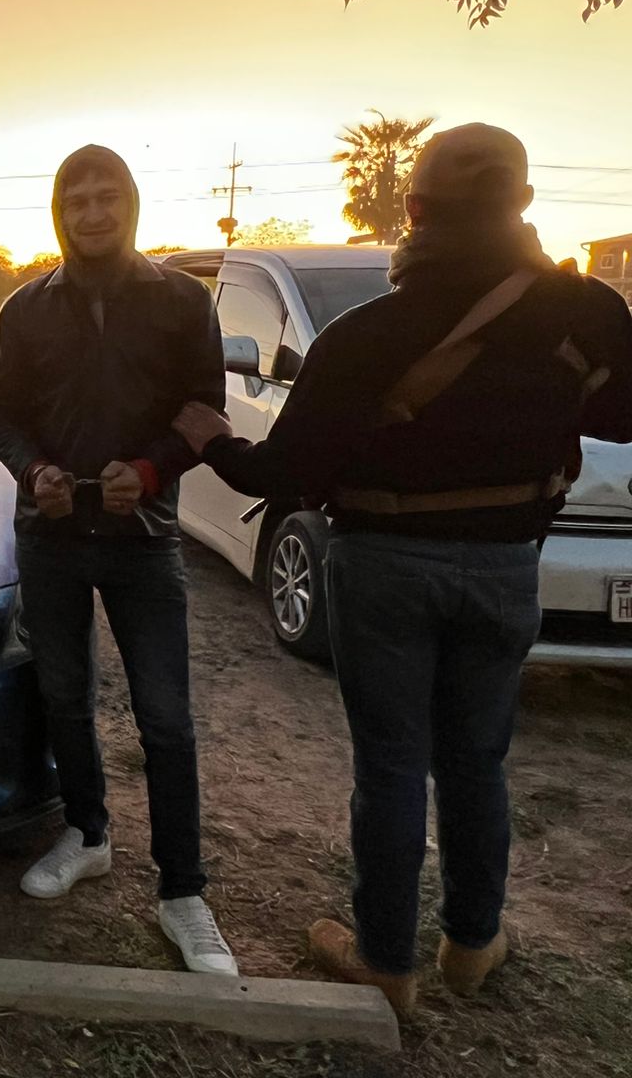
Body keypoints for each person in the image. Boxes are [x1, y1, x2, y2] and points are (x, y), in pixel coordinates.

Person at [174, 124, 632, 1015]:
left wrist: (210, 438)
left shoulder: (367, 335)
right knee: (477, 761)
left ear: (415, 212)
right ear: (523, 204)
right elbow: (621, 420)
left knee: (391, 765)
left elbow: (286, 477)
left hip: (384, 566)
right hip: (506, 568)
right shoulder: (584, 314)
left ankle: (387, 962)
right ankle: (472, 943)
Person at [0, 145, 237, 975]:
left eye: (108, 196)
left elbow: (205, 410)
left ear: (131, 204)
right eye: (76, 199)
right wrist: (36, 472)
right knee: (66, 697)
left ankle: (183, 892)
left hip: (144, 540)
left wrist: (155, 469)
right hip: (51, 536)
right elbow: (0, 414)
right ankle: (88, 834)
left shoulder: (182, 301)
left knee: (165, 719)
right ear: (59, 212)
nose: (93, 212)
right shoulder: (26, 310)